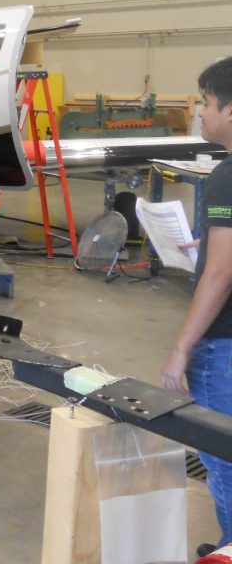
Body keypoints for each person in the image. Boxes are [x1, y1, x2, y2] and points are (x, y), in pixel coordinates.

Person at [161, 57, 232, 558]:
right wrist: (209, 242)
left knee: (225, 459)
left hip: (225, 345)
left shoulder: (227, 177)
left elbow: (223, 274)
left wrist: (181, 350)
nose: (201, 114)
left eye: (206, 104)